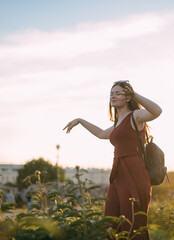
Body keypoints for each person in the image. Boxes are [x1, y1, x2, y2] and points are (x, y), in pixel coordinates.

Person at [63, 80, 162, 239]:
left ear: (127, 97)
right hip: (117, 174)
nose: (113, 96)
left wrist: (135, 94)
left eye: (118, 93)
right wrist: (80, 121)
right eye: (111, 93)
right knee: (110, 220)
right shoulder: (118, 122)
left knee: (132, 222)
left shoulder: (135, 116)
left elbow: (157, 111)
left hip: (135, 173)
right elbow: (102, 134)